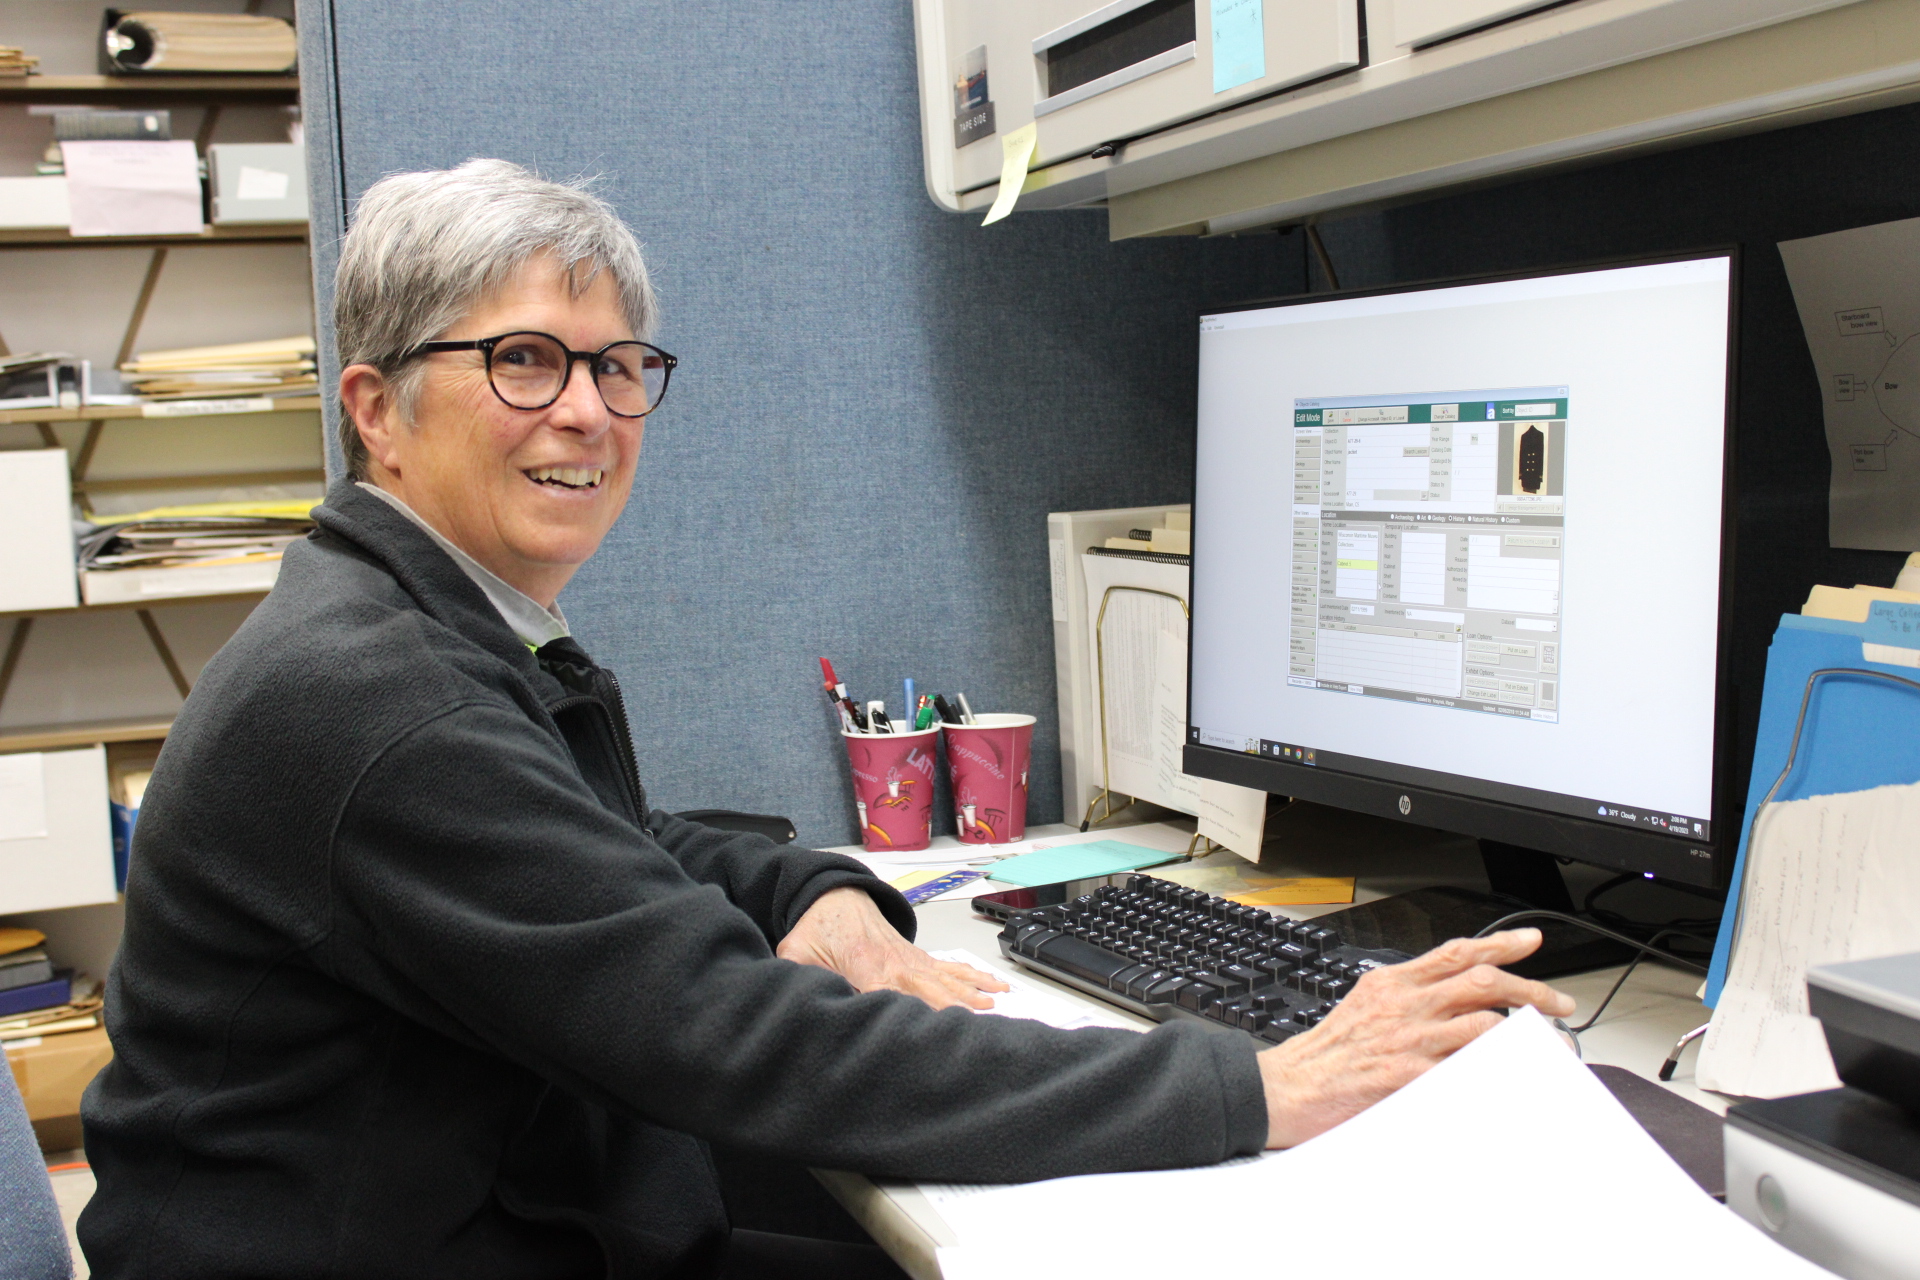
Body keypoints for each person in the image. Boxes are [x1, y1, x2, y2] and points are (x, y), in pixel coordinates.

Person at [78, 159, 1574, 1280]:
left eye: (616, 367)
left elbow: (607, 845)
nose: (588, 411)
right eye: (521, 361)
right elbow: (734, 1040)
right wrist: (1255, 1080)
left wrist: (812, 887)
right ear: (378, 407)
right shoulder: (376, 701)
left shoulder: (417, 622)